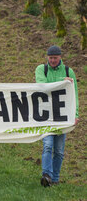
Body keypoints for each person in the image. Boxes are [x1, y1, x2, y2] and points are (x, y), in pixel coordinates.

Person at [35, 45, 79, 187]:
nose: (53, 60)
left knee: (59, 151)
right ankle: (46, 175)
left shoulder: (68, 71)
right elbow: (42, 85)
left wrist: (75, 114)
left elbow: (75, 94)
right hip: (46, 115)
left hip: (62, 116)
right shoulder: (41, 69)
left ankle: (55, 179)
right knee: (48, 145)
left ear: (60, 57)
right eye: (51, 58)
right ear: (47, 57)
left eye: (55, 58)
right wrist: (63, 81)